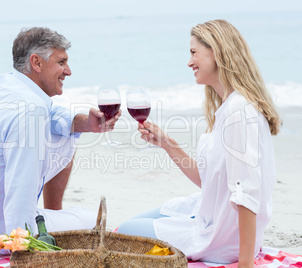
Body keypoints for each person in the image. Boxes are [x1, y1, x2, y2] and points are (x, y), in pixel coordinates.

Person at [117, 19, 280, 267]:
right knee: (134, 222)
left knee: (125, 232)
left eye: (194, 53)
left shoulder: (239, 111)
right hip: (211, 212)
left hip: (223, 240)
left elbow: (247, 192)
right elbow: (208, 180)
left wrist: (245, 262)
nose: (189, 62)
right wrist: (168, 144)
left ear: (217, 51)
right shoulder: (228, 106)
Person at [0, 27, 120, 256]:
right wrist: (22, 245)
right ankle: (42, 223)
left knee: (63, 131)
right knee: (90, 221)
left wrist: (84, 124)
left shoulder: (6, 85)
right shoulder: (31, 111)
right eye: (62, 62)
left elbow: (53, 116)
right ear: (36, 63)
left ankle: (50, 215)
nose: (68, 71)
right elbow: (21, 183)